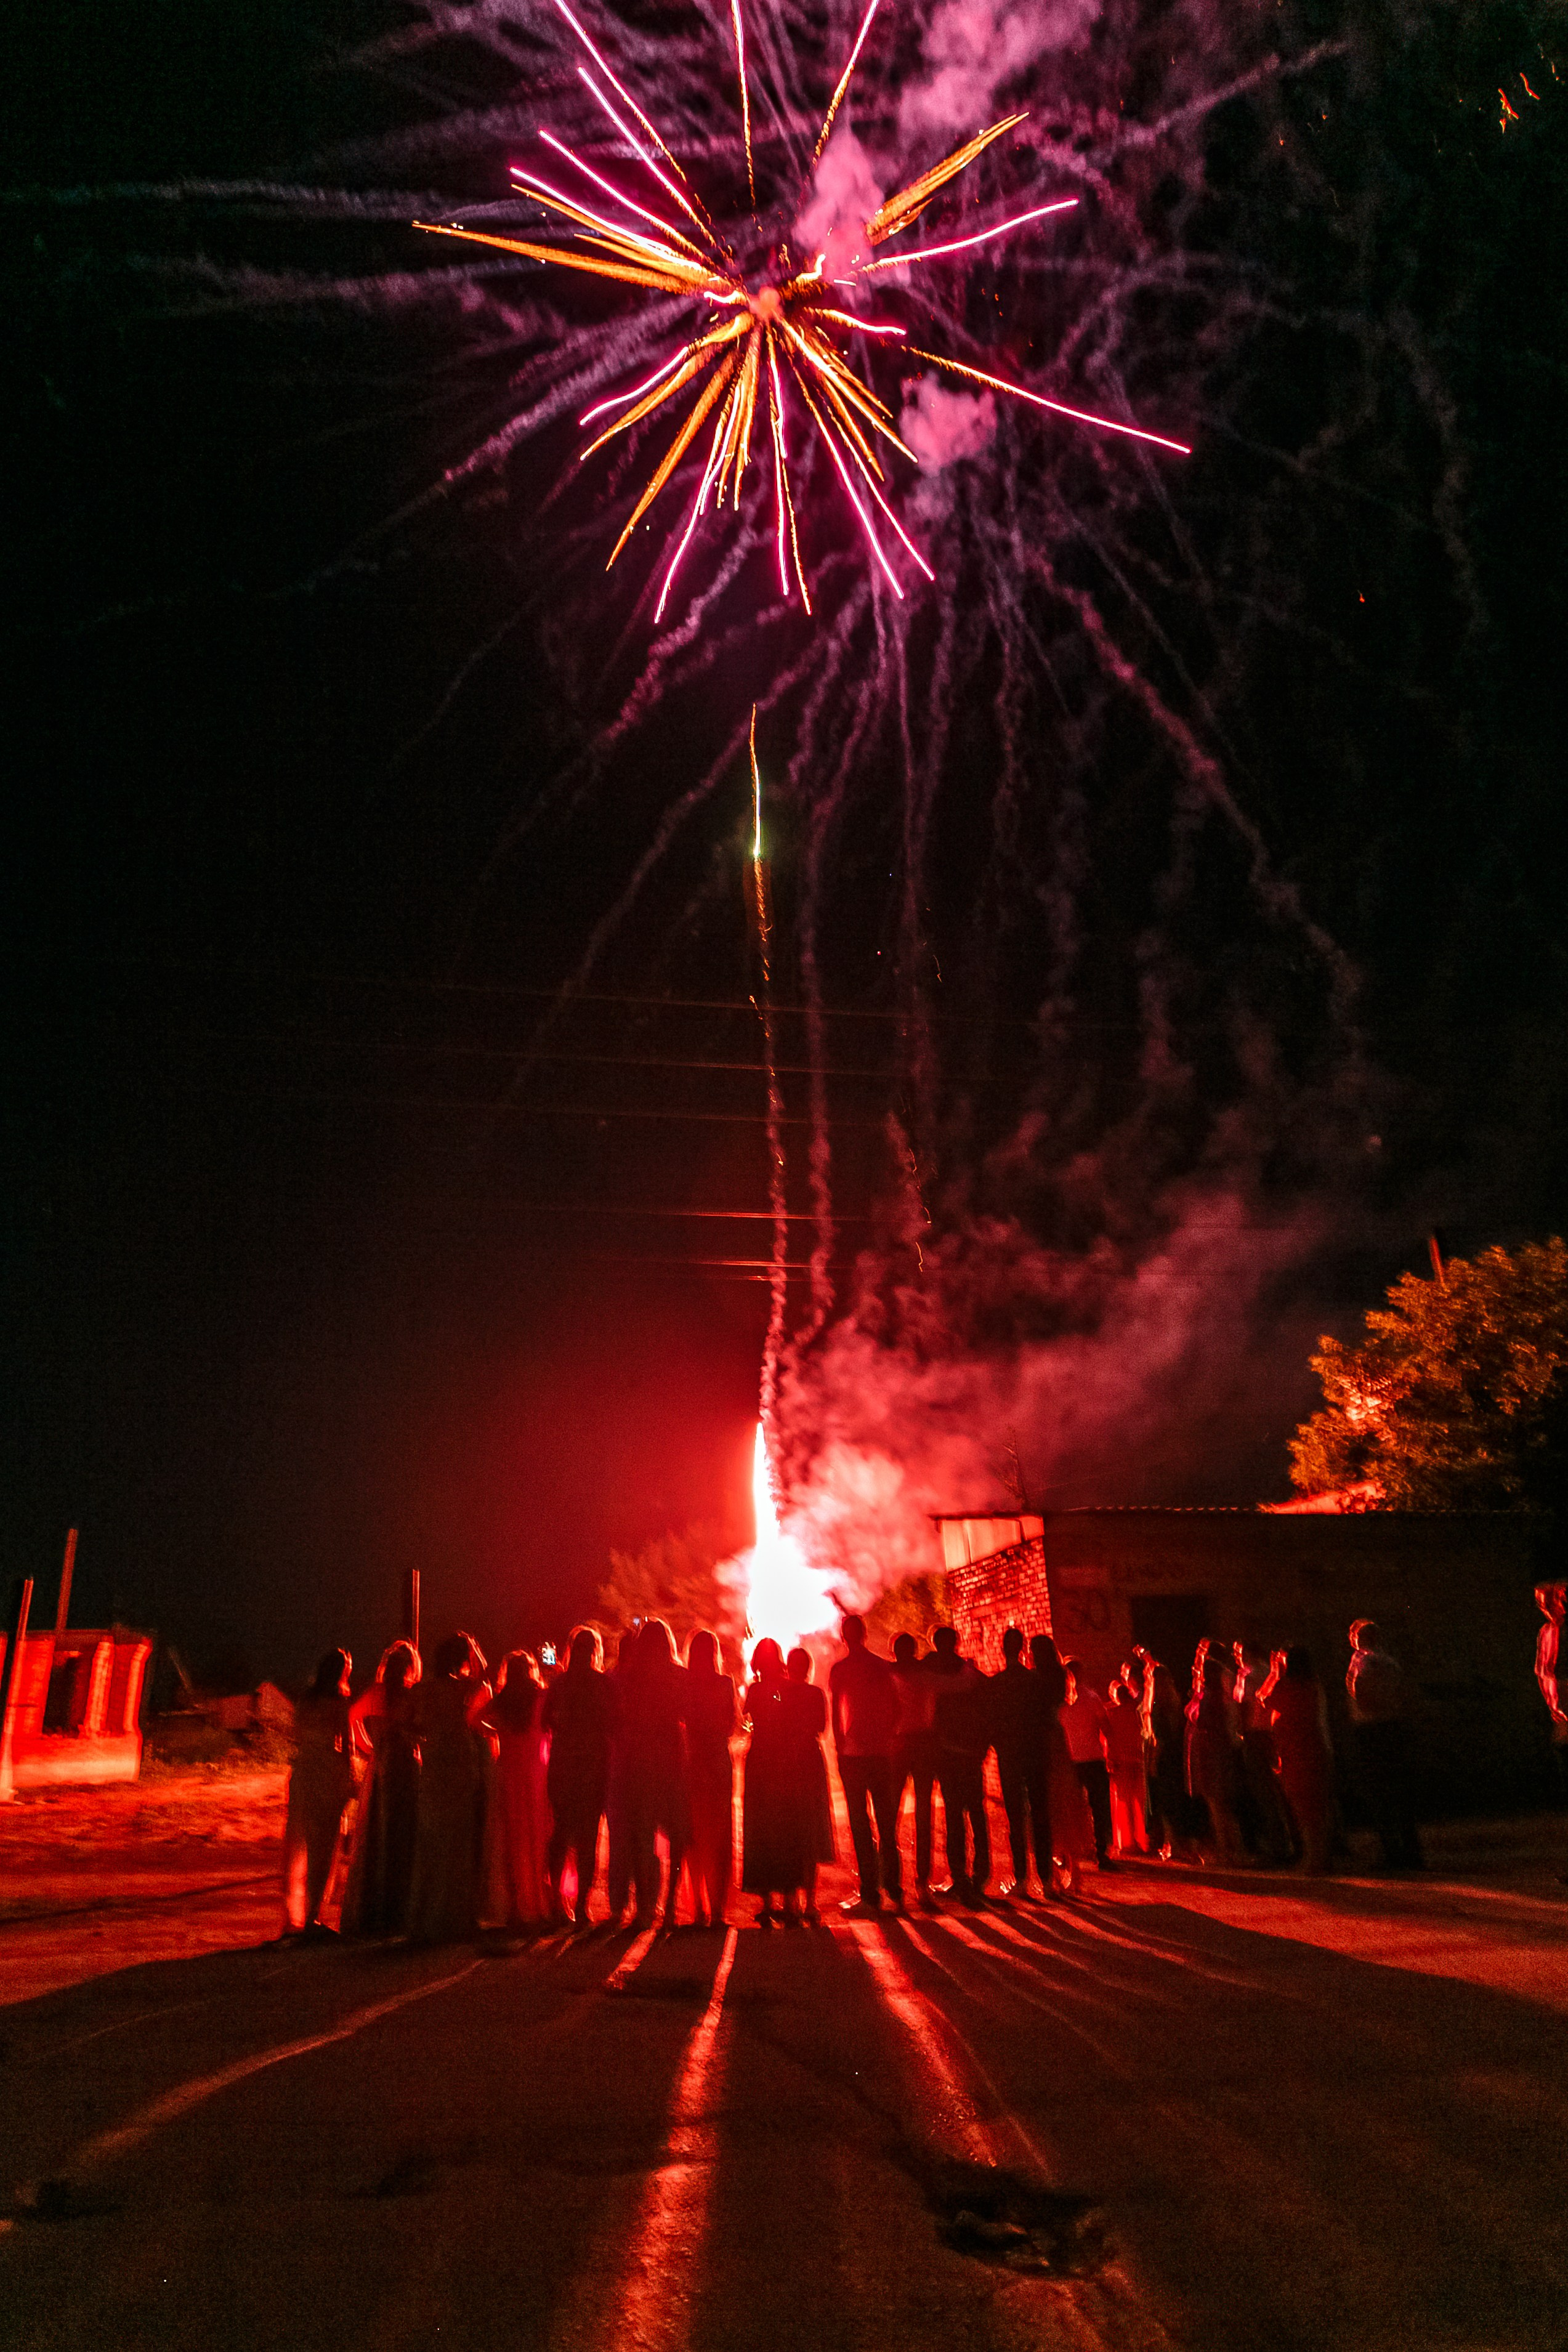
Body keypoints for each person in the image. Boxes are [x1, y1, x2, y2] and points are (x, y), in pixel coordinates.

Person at [407, 1631, 493, 1942]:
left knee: (431, 1840)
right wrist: (474, 1649)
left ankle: (424, 1918)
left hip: (433, 1762)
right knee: (459, 1841)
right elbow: (485, 1679)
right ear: (463, 1659)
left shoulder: (423, 1690)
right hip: (460, 1760)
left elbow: (409, 1724)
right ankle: (456, 1918)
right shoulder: (465, 1688)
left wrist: (423, 1738)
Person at [341, 1640, 421, 1936]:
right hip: (405, 1766)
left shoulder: (377, 1693)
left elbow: (352, 1717)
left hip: (383, 1766)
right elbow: (423, 1729)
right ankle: (399, 1908)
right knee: (402, 1835)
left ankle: (377, 1908)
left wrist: (369, 1747)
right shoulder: (411, 1695)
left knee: (379, 1833)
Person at [828, 1615, 903, 1917]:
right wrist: (888, 1736)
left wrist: (839, 1747)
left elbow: (836, 1713)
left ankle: (870, 1894)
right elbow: (896, 1707)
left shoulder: (841, 1669)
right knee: (887, 1824)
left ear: (844, 1637)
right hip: (881, 1754)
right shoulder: (881, 1666)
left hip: (854, 1754)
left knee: (861, 1825)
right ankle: (895, 1890)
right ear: (865, 1634)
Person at [543, 1627, 616, 1926]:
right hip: (593, 1764)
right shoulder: (603, 1684)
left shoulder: (560, 1685)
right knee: (587, 1837)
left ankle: (559, 1904)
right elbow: (615, 1722)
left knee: (562, 1833)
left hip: (564, 1763)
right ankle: (583, 1904)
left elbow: (546, 1721)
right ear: (595, 1651)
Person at [623, 1618, 692, 1926]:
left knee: (643, 1834)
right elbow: (688, 1714)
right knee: (676, 1834)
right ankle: (671, 1903)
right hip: (671, 1756)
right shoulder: (679, 1676)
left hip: (641, 1757)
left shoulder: (631, 1678)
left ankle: (645, 1906)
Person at [282, 1649, 355, 1937]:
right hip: (327, 1771)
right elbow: (346, 1745)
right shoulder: (338, 1702)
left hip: (304, 1771)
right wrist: (350, 1780)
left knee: (298, 1840)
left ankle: (294, 1917)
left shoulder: (306, 1700)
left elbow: (295, 1733)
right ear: (342, 1672)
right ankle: (313, 1914)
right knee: (324, 1845)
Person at [1346, 1619, 1423, 1870]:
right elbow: (1404, 1693)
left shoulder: (1363, 1658)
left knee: (1378, 1792)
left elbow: (1359, 1687)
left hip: (1372, 1728)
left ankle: (1391, 1852)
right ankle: (1412, 1852)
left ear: (1360, 1638)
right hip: (1393, 1725)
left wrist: (1364, 1707)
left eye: (1354, 1634)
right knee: (1399, 1790)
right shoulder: (1391, 1661)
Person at [487, 1649, 551, 1931]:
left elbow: (473, 1718)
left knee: (512, 1841)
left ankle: (515, 1906)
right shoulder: (541, 1697)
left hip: (508, 1770)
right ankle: (539, 1905)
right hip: (536, 1772)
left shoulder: (500, 1701)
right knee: (537, 1839)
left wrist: (495, 1732)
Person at [927, 1625, 991, 1906]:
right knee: (976, 1813)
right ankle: (979, 1875)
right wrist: (983, 1747)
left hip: (949, 1754)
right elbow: (988, 1712)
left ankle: (960, 1876)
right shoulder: (972, 1675)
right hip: (969, 1754)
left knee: (954, 1817)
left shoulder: (935, 1679)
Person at [742, 1639, 803, 1928]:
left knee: (763, 1828)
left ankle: (769, 1902)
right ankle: (789, 1900)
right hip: (783, 1759)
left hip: (765, 1758)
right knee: (787, 1826)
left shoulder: (760, 1689)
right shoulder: (787, 1687)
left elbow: (749, 1714)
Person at [683, 1629, 738, 1928]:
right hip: (717, 1760)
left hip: (692, 1759)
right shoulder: (724, 1683)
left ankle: (699, 1908)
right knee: (719, 1835)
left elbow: (682, 1720)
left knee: (694, 1835)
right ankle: (717, 1908)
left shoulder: (685, 1683)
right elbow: (731, 1725)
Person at [992, 1625, 1049, 1896]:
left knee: (1016, 1817)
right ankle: (1046, 1879)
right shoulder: (1036, 1683)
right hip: (1034, 1753)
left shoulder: (998, 1684)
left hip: (1010, 1756)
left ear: (1004, 1650)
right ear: (1023, 1649)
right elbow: (1045, 1719)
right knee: (1040, 1814)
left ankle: (1021, 1877)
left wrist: (999, 1746)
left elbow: (991, 1724)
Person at [1033, 1637, 1091, 1896]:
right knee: (1065, 1807)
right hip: (1057, 1741)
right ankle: (1073, 1872)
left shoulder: (1037, 1678)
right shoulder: (1060, 1676)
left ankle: (1055, 1875)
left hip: (1042, 1743)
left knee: (1048, 1809)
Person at [1268, 1646, 1335, 1873]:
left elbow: (1266, 1700)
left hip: (1296, 1749)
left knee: (1303, 1805)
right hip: (1315, 1746)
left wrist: (1275, 1672)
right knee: (1317, 1805)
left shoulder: (1288, 1686)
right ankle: (1321, 1857)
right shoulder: (1314, 1685)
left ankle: (1313, 1859)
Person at [782, 1647, 836, 1923]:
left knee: (790, 1829)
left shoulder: (781, 1693)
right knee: (810, 1827)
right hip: (809, 1760)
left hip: (787, 1762)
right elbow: (821, 1728)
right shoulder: (815, 1694)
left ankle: (790, 1900)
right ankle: (811, 1901)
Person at [890, 1631, 940, 1911]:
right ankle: (922, 1884)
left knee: (891, 1815)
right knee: (923, 1813)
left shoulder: (889, 1674)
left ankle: (895, 1887)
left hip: (900, 1744)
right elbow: (959, 1683)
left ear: (895, 1651)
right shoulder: (927, 1673)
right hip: (924, 1743)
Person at [1186, 1648, 1247, 1867]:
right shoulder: (1219, 1695)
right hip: (1218, 1749)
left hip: (1211, 1751)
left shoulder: (1210, 1697)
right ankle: (1235, 1849)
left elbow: (1201, 1720)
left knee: (1217, 1803)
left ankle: (1227, 1851)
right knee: (1222, 1803)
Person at [1059, 1659, 1117, 1870]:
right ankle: (1102, 1853)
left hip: (1070, 1762)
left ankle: (1070, 1855)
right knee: (1100, 1809)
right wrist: (1112, 1754)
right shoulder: (1092, 1698)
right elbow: (1107, 1729)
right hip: (1093, 1760)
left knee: (1071, 1810)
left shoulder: (1058, 1701)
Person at [1103, 1675, 1149, 1857]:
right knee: (1138, 1802)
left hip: (1120, 1762)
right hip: (1137, 1760)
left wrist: (1110, 1759)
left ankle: (1125, 1841)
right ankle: (1141, 1839)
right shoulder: (1136, 1713)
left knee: (1121, 1803)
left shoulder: (1113, 1714)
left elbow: (1110, 1739)